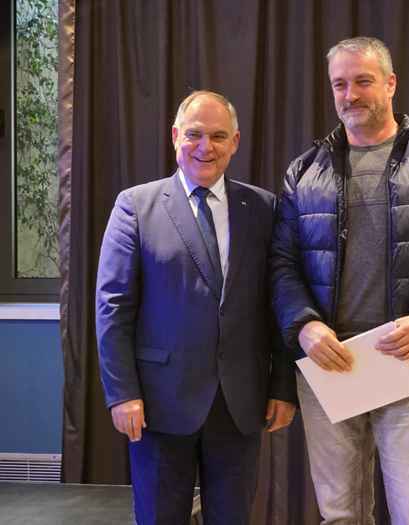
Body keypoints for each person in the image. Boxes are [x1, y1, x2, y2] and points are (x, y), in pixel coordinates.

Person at [270, 36, 409, 524]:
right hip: (330, 364)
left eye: (363, 81)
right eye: (340, 84)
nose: (350, 95)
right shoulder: (304, 172)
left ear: (391, 84)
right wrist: (304, 326)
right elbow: (282, 265)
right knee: (340, 516)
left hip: (406, 361)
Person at [95, 90, 296, 525]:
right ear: (175, 137)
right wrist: (122, 393)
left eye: (219, 136)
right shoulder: (136, 206)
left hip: (239, 403)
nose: (206, 147)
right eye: (194, 135)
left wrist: (283, 386)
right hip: (158, 403)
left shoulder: (264, 209)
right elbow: (113, 308)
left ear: (235, 142)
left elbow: (279, 304)